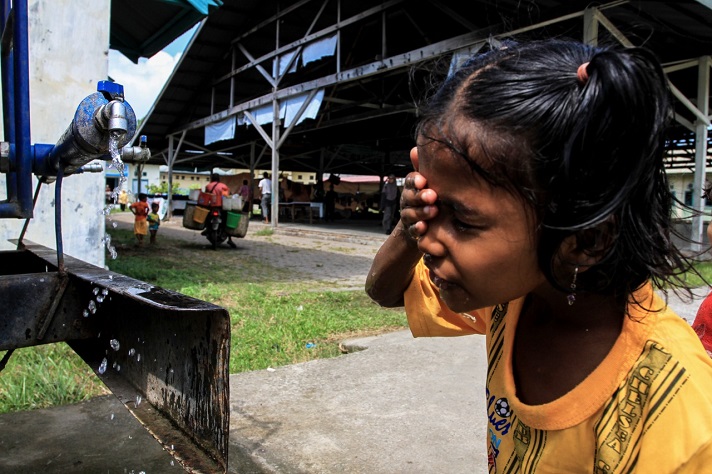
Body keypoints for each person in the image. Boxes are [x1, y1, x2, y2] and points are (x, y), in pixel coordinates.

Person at [365, 38, 712, 471]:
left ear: (584, 240)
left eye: (462, 219)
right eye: (429, 204)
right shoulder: (512, 300)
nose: (427, 240)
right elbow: (384, 290)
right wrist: (406, 224)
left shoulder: (676, 419)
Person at [204, 173, 237, 248]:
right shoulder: (223, 186)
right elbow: (226, 196)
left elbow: (206, 195)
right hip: (221, 207)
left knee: (206, 218)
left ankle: (206, 229)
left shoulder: (208, 186)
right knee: (227, 221)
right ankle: (229, 238)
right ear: (219, 179)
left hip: (212, 206)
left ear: (212, 178)